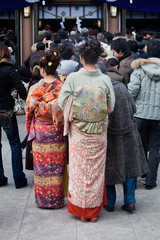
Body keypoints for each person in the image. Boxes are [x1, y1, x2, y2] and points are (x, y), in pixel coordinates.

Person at [58, 39, 115, 222]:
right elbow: (110, 106)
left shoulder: (73, 78)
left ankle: (80, 211)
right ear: (98, 58)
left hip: (79, 131)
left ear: (81, 58)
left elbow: (62, 102)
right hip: (98, 131)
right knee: (96, 172)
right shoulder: (105, 79)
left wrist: (78, 105)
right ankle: (93, 212)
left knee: (78, 170)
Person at [26, 49, 67, 208]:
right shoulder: (62, 87)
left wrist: (29, 130)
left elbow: (29, 112)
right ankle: (56, 200)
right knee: (56, 166)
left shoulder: (35, 88)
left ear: (42, 70)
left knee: (42, 167)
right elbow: (66, 110)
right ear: (55, 69)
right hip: (56, 129)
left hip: (41, 130)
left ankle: (43, 201)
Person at [103, 80, 149, 213]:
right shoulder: (122, 87)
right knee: (130, 166)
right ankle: (130, 201)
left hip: (110, 134)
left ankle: (110, 202)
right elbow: (133, 109)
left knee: (109, 167)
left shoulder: (102, 89)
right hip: (129, 132)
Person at [128, 39, 160, 190]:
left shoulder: (139, 70)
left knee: (137, 148)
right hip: (158, 117)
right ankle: (150, 181)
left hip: (140, 115)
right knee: (155, 148)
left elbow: (132, 91)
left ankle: (134, 181)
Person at [0, 44, 27, 188]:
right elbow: (22, 89)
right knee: (15, 144)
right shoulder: (9, 70)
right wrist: (18, 95)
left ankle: (0, 178)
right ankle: (19, 179)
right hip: (7, 109)